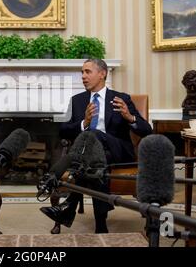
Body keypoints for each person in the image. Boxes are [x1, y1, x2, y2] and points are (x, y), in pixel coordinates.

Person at [40, 58, 152, 233]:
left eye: (87, 72)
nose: (83, 76)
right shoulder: (77, 100)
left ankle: (67, 202)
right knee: (96, 160)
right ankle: (100, 224)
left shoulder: (121, 98)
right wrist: (84, 122)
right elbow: (63, 130)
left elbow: (147, 130)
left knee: (93, 135)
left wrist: (130, 117)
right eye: (82, 72)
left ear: (102, 73)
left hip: (119, 151)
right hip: (96, 156)